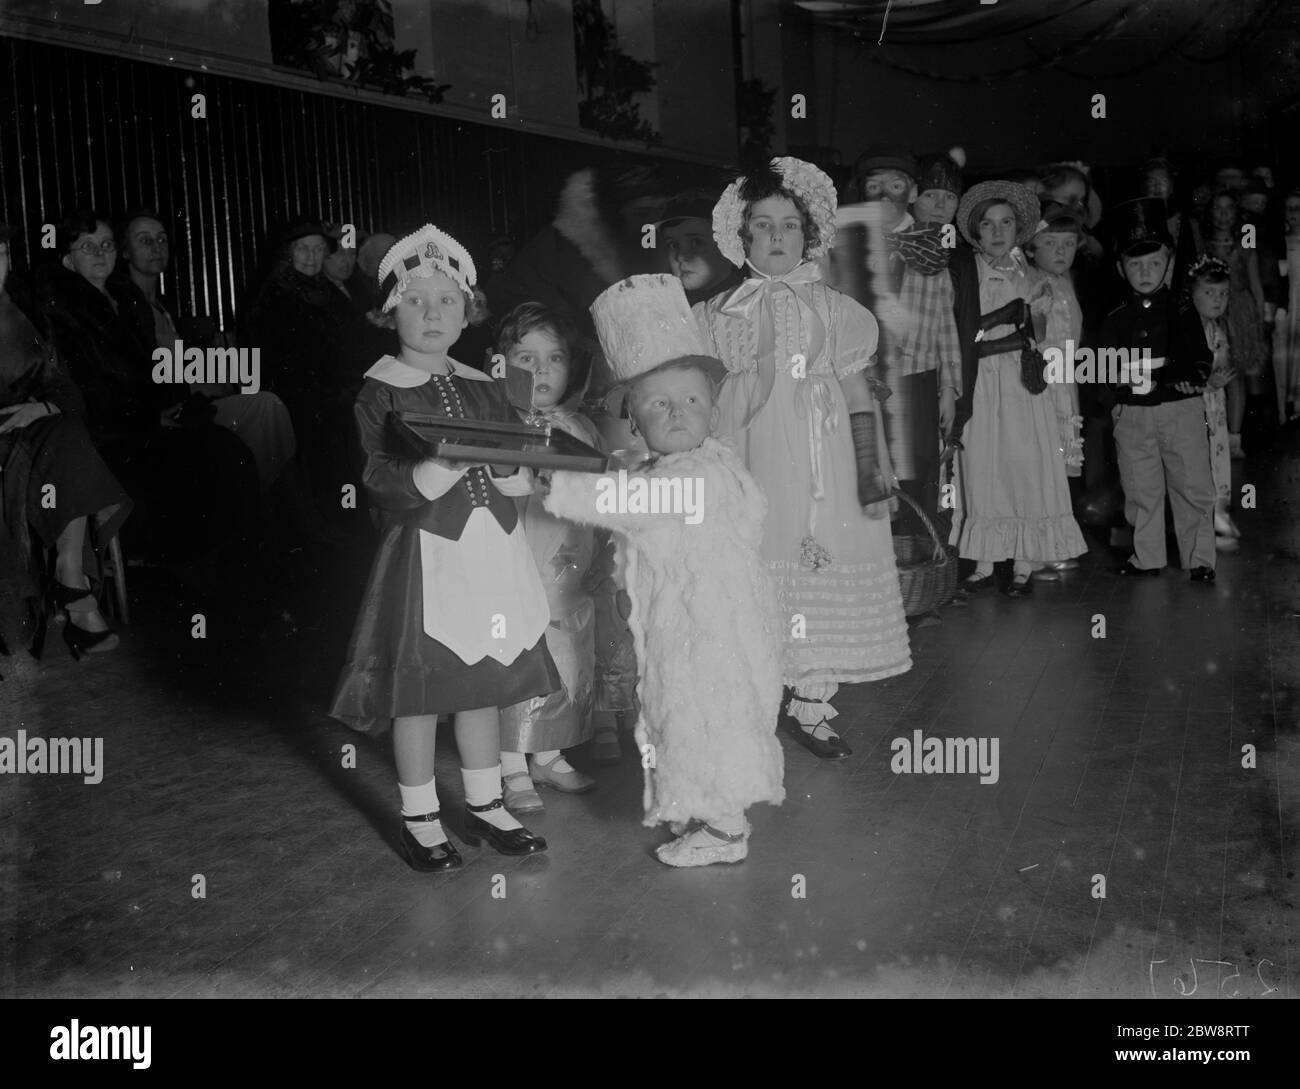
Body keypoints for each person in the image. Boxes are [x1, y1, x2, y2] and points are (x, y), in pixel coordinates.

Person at [329, 225, 557, 872]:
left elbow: (519, 451)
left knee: (482, 682)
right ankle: (421, 814)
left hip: (491, 553)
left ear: (468, 311)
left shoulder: (487, 385)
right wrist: (436, 470)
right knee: (421, 693)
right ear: (388, 311)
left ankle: (486, 802)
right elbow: (376, 477)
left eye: (447, 300)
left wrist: (519, 479)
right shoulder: (380, 390)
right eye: (416, 300)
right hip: (427, 559)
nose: (432, 313)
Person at [543, 273, 785, 867]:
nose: (678, 413)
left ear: (714, 409)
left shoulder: (694, 475)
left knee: (706, 717)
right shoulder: (691, 464)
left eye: (693, 402)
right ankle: (713, 817)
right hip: (705, 618)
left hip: (705, 626)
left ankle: (725, 831)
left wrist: (556, 481)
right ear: (634, 417)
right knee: (698, 716)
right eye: (658, 404)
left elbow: (629, 504)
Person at [696, 156, 911, 760]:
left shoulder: (837, 309)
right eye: (761, 226)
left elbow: (855, 388)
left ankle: (813, 703)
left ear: (809, 233)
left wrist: (873, 462)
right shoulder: (717, 314)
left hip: (823, 458)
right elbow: (700, 392)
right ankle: (753, 700)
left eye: (788, 225)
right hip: (746, 452)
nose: (775, 238)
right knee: (754, 562)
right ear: (740, 238)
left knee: (819, 559)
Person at [946, 181, 1088, 598]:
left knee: (1024, 464)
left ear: (1018, 229)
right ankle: (986, 561)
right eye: (987, 224)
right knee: (985, 464)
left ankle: (1024, 562)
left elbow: (1038, 332)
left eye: (1006, 223)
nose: (997, 231)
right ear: (974, 230)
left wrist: (1032, 315)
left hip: (1022, 380)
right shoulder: (965, 272)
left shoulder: (1030, 275)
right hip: (982, 379)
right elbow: (961, 328)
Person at [0, 225, 130, 658]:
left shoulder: (23, 315)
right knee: (64, 443)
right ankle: (70, 587)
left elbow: (68, 391)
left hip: (36, 440)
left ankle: (69, 573)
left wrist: (44, 407)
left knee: (66, 431)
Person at [495, 303, 604, 811]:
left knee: (567, 654)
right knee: (519, 654)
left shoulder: (580, 427)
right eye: (524, 356)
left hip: (570, 570)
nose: (540, 370)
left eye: (554, 357)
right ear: (502, 362)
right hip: (518, 566)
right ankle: (511, 765)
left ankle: (550, 753)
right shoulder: (498, 425)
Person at [1099, 197, 1216, 582]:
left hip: (1179, 409)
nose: (1145, 271)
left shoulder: (1182, 309)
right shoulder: (1114, 319)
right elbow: (1102, 366)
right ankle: (1146, 557)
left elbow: (1199, 355)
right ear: (1120, 268)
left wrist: (1192, 375)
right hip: (1133, 413)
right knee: (1140, 488)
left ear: (1168, 262)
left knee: (1192, 485)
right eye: (1135, 264)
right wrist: (1112, 392)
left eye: (1154, 262)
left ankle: (1199, 558)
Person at [1025, 201, 1088, 576]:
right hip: (1043, 387)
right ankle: (1034, 550)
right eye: (1051, 243)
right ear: (1032, 247)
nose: (1062, 252)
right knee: (1041, 465)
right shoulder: (1034, 284)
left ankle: (1054, 543)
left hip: (1066, 385)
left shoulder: (1066, 283)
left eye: (1068, 243)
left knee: (1060, 466)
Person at [1199, 190, 1267, 458]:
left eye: (1230, 209)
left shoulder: (1244, 244)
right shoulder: (1203, 244)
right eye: (1218, 208)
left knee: (1236, 374)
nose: (1224, 215)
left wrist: (1260, 322)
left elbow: (1256, 285)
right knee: (1215, 371)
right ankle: (1212, 433)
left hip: (1239, 312)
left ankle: (1234, 437)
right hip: (1213, 312)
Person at [1183, 255, 1242, 547]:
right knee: (1198, 465)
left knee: (1217, 461)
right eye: (1209, 293)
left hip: (1214, 409)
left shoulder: (1217, 329)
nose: (1218, 300)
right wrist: (1206, 383)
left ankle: (1219, 514)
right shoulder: (1187, 331)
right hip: (1194, 407)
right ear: (1192, 295)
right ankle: (1202, 525)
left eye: (1223, 294)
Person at [658, 189, 743, 306]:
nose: (681, 256)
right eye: (673, 245)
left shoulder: (747, 304)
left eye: (696, 242)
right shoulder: (669, 305)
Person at [1272, 188, 1300, 425]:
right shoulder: (1278, 240)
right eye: (1288, 209)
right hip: (1287, 306)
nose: (1293, 214)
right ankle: (1284, 409)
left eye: (1297, 209)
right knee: (1283, 355)